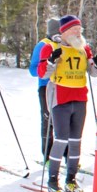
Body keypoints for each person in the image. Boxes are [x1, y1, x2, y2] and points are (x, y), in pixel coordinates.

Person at [37, 15, 97, 192]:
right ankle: (52, 179)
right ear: (64, 31)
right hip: (60, 98)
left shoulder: (84, 49)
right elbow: (42, 74)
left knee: (76, 141)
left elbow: (94, 73)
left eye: (80, 29)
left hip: (80, 98)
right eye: (75, 29)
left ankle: (71, 179)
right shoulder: (51, 47)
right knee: (61, 139)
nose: (78, 32)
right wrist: (51, 61)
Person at [30, 18, 61, 160]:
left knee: (63, 121)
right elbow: (33, 70)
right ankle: (47, 155)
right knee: (48, 120)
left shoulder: (65, 43)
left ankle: (65, 154)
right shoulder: (42, 45)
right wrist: (48, 65)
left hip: (63, 85)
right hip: (46, 86)